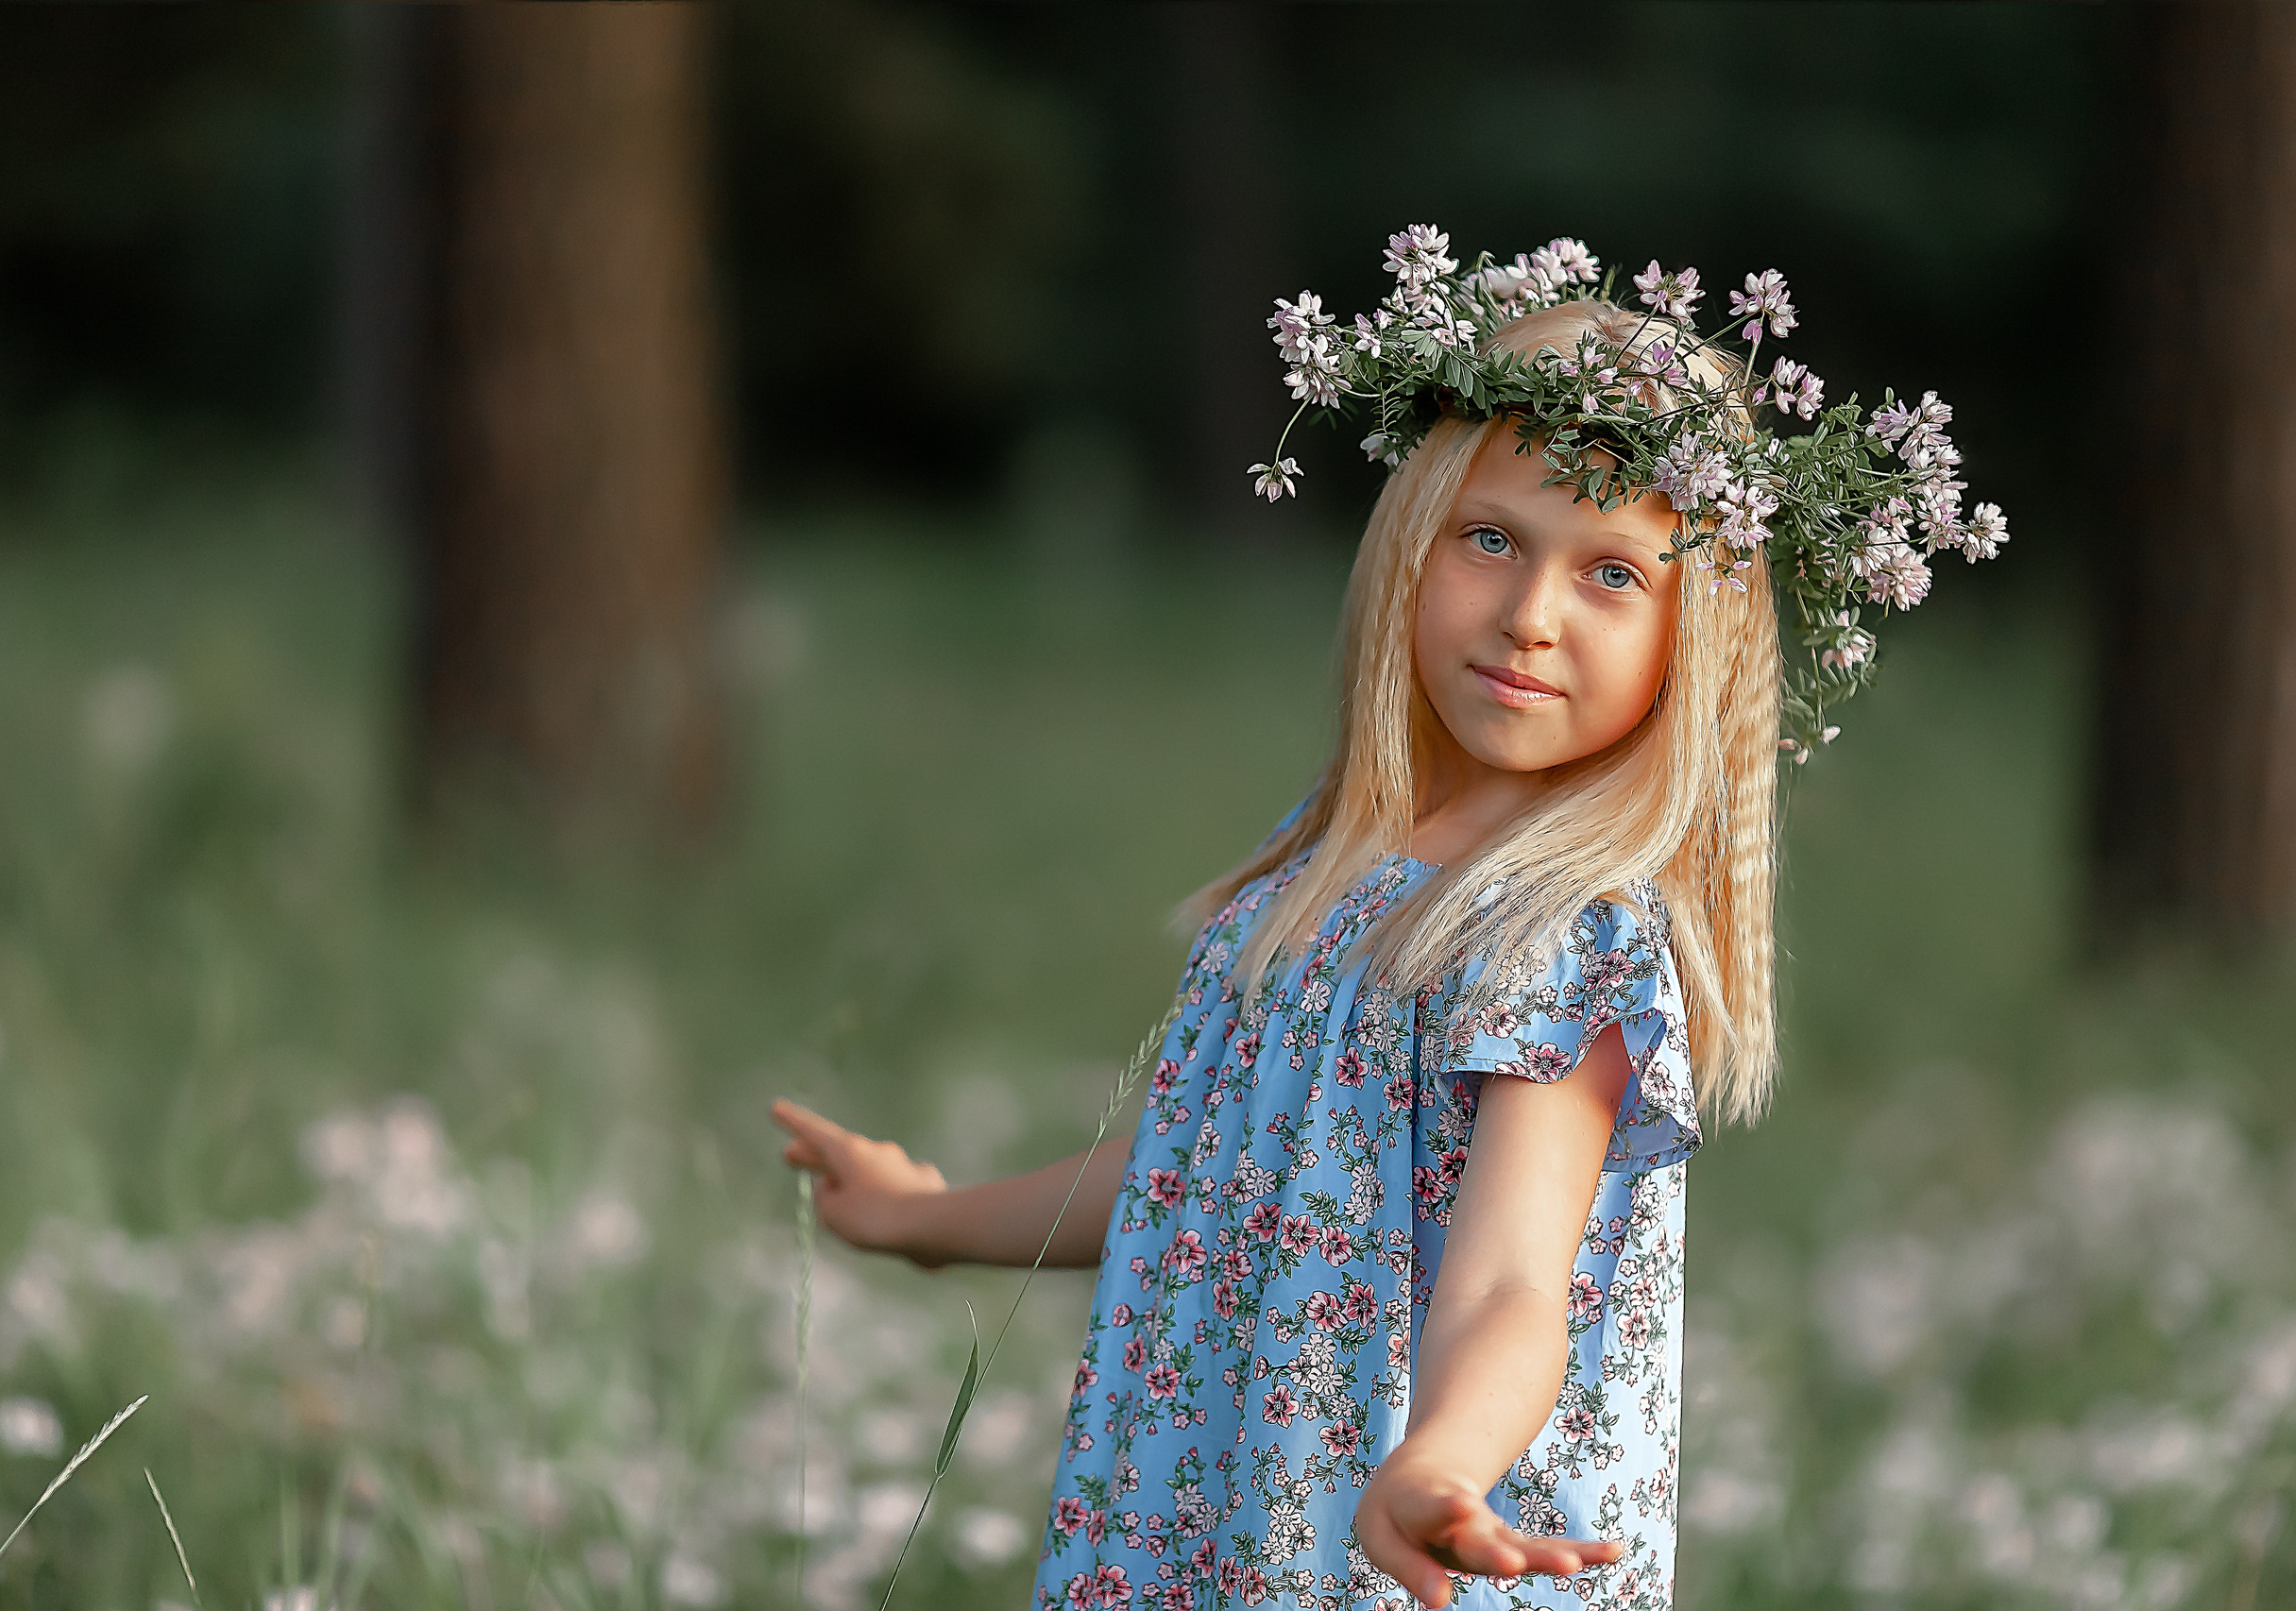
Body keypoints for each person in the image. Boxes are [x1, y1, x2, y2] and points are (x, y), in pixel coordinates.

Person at [773, 232, 1998, 1609]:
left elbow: (1511, 1284)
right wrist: (931, 1219)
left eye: (1612, 574)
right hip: (1216, 1510)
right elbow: (1202, 1172)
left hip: (1397, 1537)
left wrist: (1443, 1463)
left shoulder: (1566, 930)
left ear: (1692, 638)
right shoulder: (1333, 860)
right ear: (1409, 548)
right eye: (1491, 540)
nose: (1532, 614)